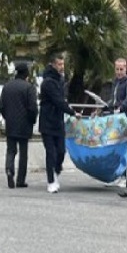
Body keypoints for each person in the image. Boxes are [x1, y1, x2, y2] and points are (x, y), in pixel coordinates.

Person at [39, 54, 78, 194]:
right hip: (47, 122)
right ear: (53, 65)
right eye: (59, 64)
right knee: (51, 152)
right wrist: (72, 112)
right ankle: (51, 181)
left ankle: (56, 169)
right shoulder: (48, 82)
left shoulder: (61, 80)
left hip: (58, 121)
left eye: (63, 64)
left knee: (61, 151)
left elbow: (63, 99)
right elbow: (58, 100)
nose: (62, 67)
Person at [0, 62, 38, 189]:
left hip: (10, 124)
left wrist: (7, 117)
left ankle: (9, 170)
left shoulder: (7, 87)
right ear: (26, 74)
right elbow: (33, 108)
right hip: (24, 124)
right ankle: (20, 180)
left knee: (11, 150)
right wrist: (32, 121)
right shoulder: (29, 88)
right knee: (23, 152)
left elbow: (1, 106)